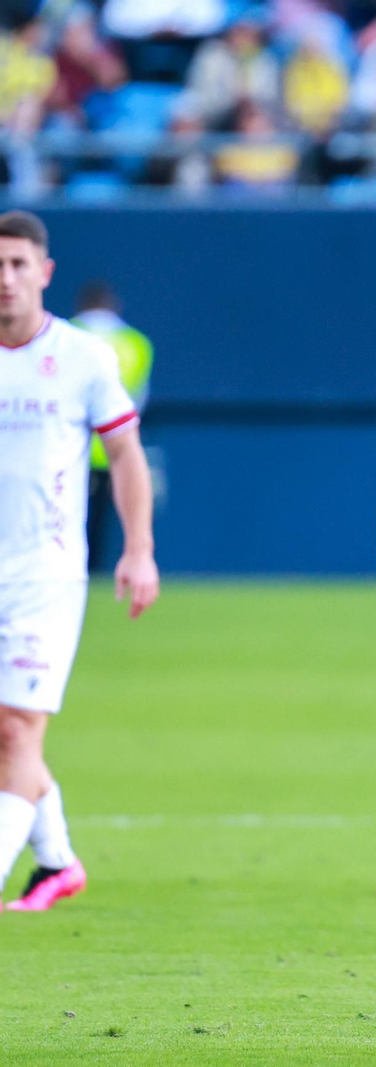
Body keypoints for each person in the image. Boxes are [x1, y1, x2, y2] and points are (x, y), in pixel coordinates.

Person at [0, 210, 161, 911]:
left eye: (17, 264)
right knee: (6, 737)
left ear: (44, 272)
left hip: (46, 572)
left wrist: (139, 548)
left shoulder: (82, 357)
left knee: (16, 730)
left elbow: (124, 454)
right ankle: (57, 862)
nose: (6, 278)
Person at [72, 280, 155, 572]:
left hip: (72, 448)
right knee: (102, 520)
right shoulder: (136, 343)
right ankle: (95, 569)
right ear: (112, 305)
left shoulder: (65, 337)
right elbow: (137, 401)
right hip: (115, 446)